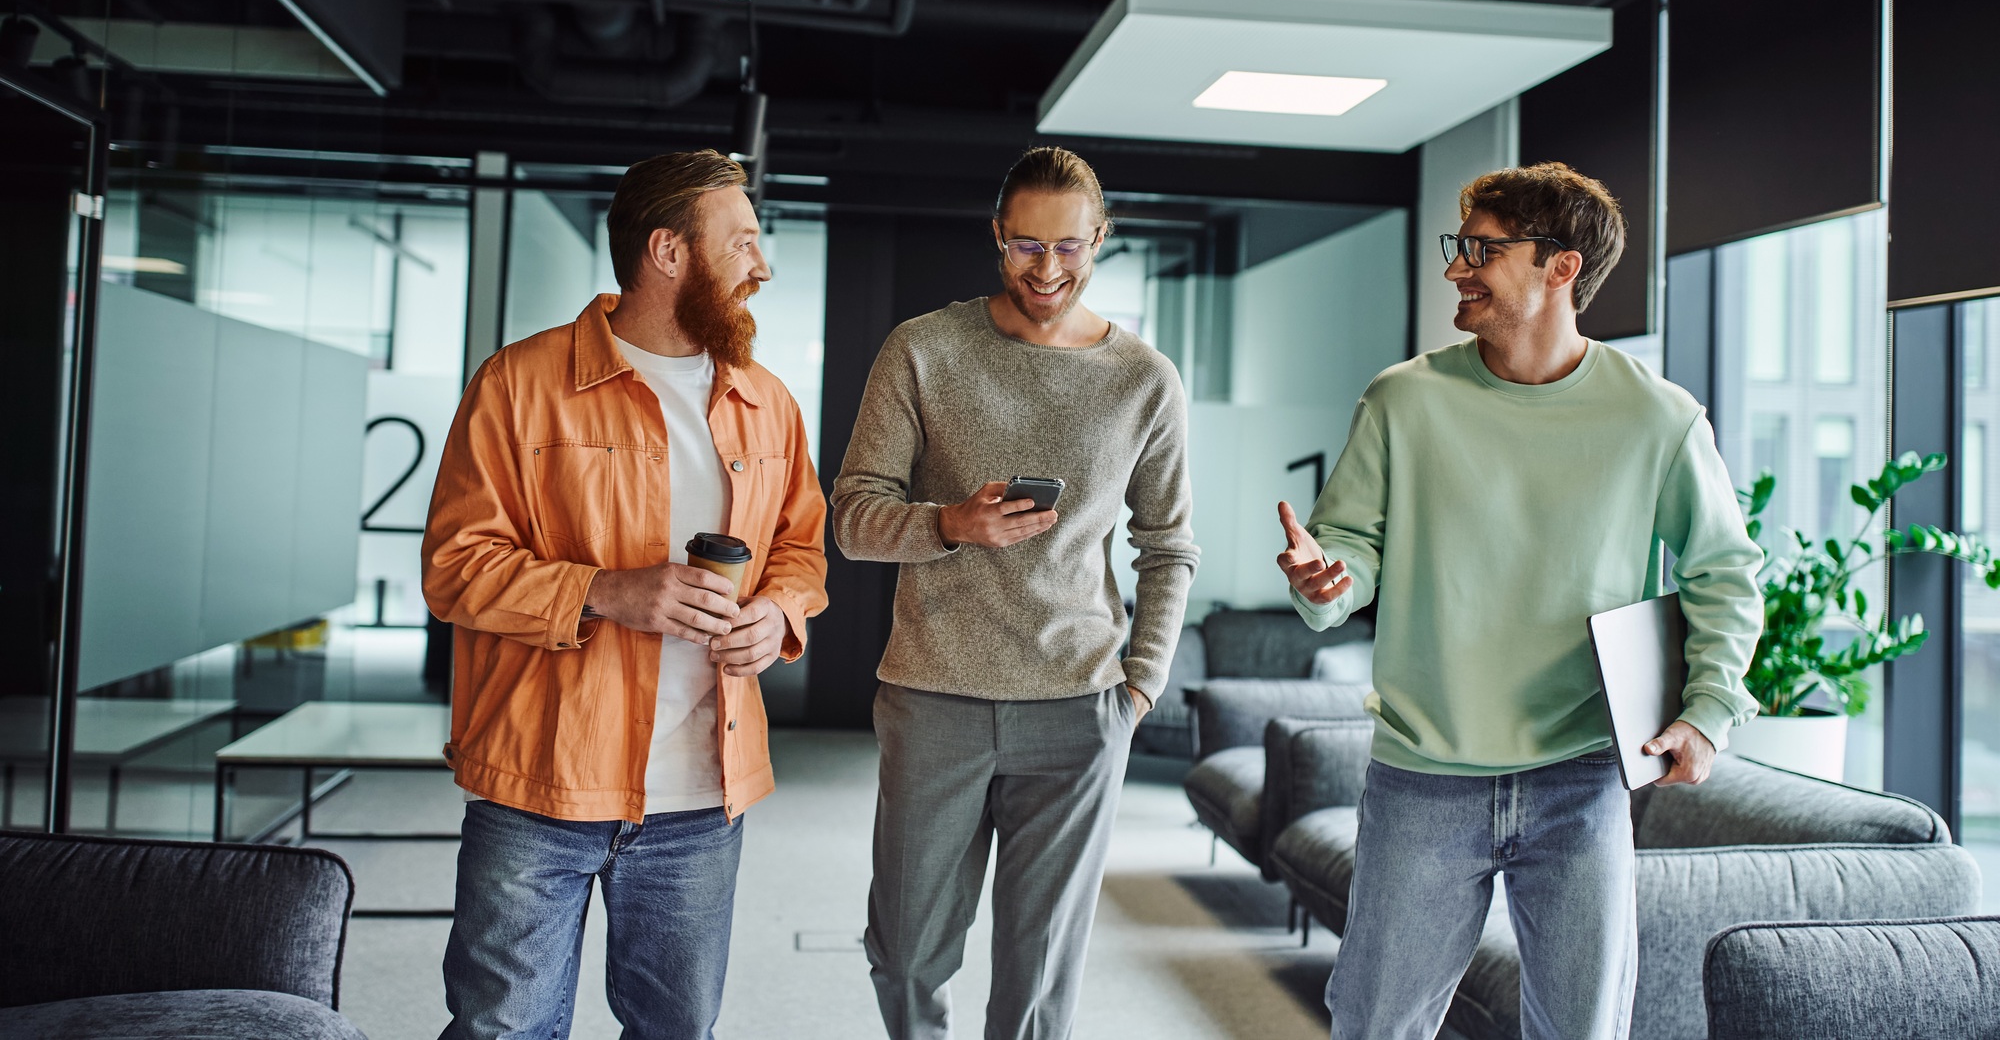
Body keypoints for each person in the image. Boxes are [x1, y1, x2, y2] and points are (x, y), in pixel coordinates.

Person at [1274, 162, 1764, 1040]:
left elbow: (1724, 571)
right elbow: (1348, 551)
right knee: (1376, 1023)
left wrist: (1709, 709)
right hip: (1425, 772)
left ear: (1560, 268)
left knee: (1582, 1030)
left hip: (1580, 775)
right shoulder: (1403, 400)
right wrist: (1327, 578)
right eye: (1459, 246)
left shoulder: (1658, 418)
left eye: (1481, 249)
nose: (1458, 268)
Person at [423, 150, 828, 1040]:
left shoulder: (770, 404)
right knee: (501, 1030)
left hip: (699, 798)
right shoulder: (519, 386)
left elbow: (801, 549)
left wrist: (778, 614)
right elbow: (455, 565)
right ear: (668, 252)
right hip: (540, 781)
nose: (762, 266)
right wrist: (603, 591)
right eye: (745, 243)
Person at [832, 146, 1200, 1040]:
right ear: (997, 237)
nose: (1047, 270)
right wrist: (951, 524)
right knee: (908, 946)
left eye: (1069, 248)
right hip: (934, 695)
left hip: (1079, 707)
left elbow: (1169, 545)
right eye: (1026, 247)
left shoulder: (1144, 380)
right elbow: (851, 516)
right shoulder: (923, 348)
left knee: (1038, 967)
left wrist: (1141, 682)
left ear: (1100, 239)